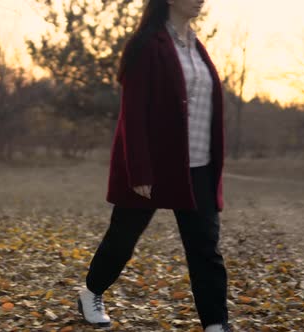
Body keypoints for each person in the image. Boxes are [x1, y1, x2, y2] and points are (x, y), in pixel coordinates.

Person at [76, 0, 232, 331]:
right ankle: (90, 293)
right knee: (122, 241)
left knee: (206, 251)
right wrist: (139, 170)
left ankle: (216, 325)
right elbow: (132, 114)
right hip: (154, 166)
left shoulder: (197, 47)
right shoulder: (147, 44)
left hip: (198, 167)